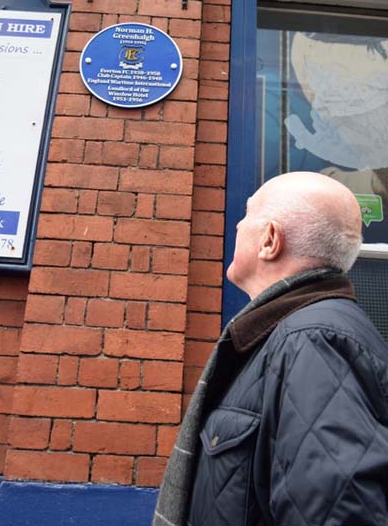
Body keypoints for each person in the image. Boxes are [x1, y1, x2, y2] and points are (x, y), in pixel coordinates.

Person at [153, 171, 388, 526]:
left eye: (248, 215)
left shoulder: (313, 341)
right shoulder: (297, 335)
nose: (237, 226)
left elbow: (339, 513)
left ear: (269, 240)